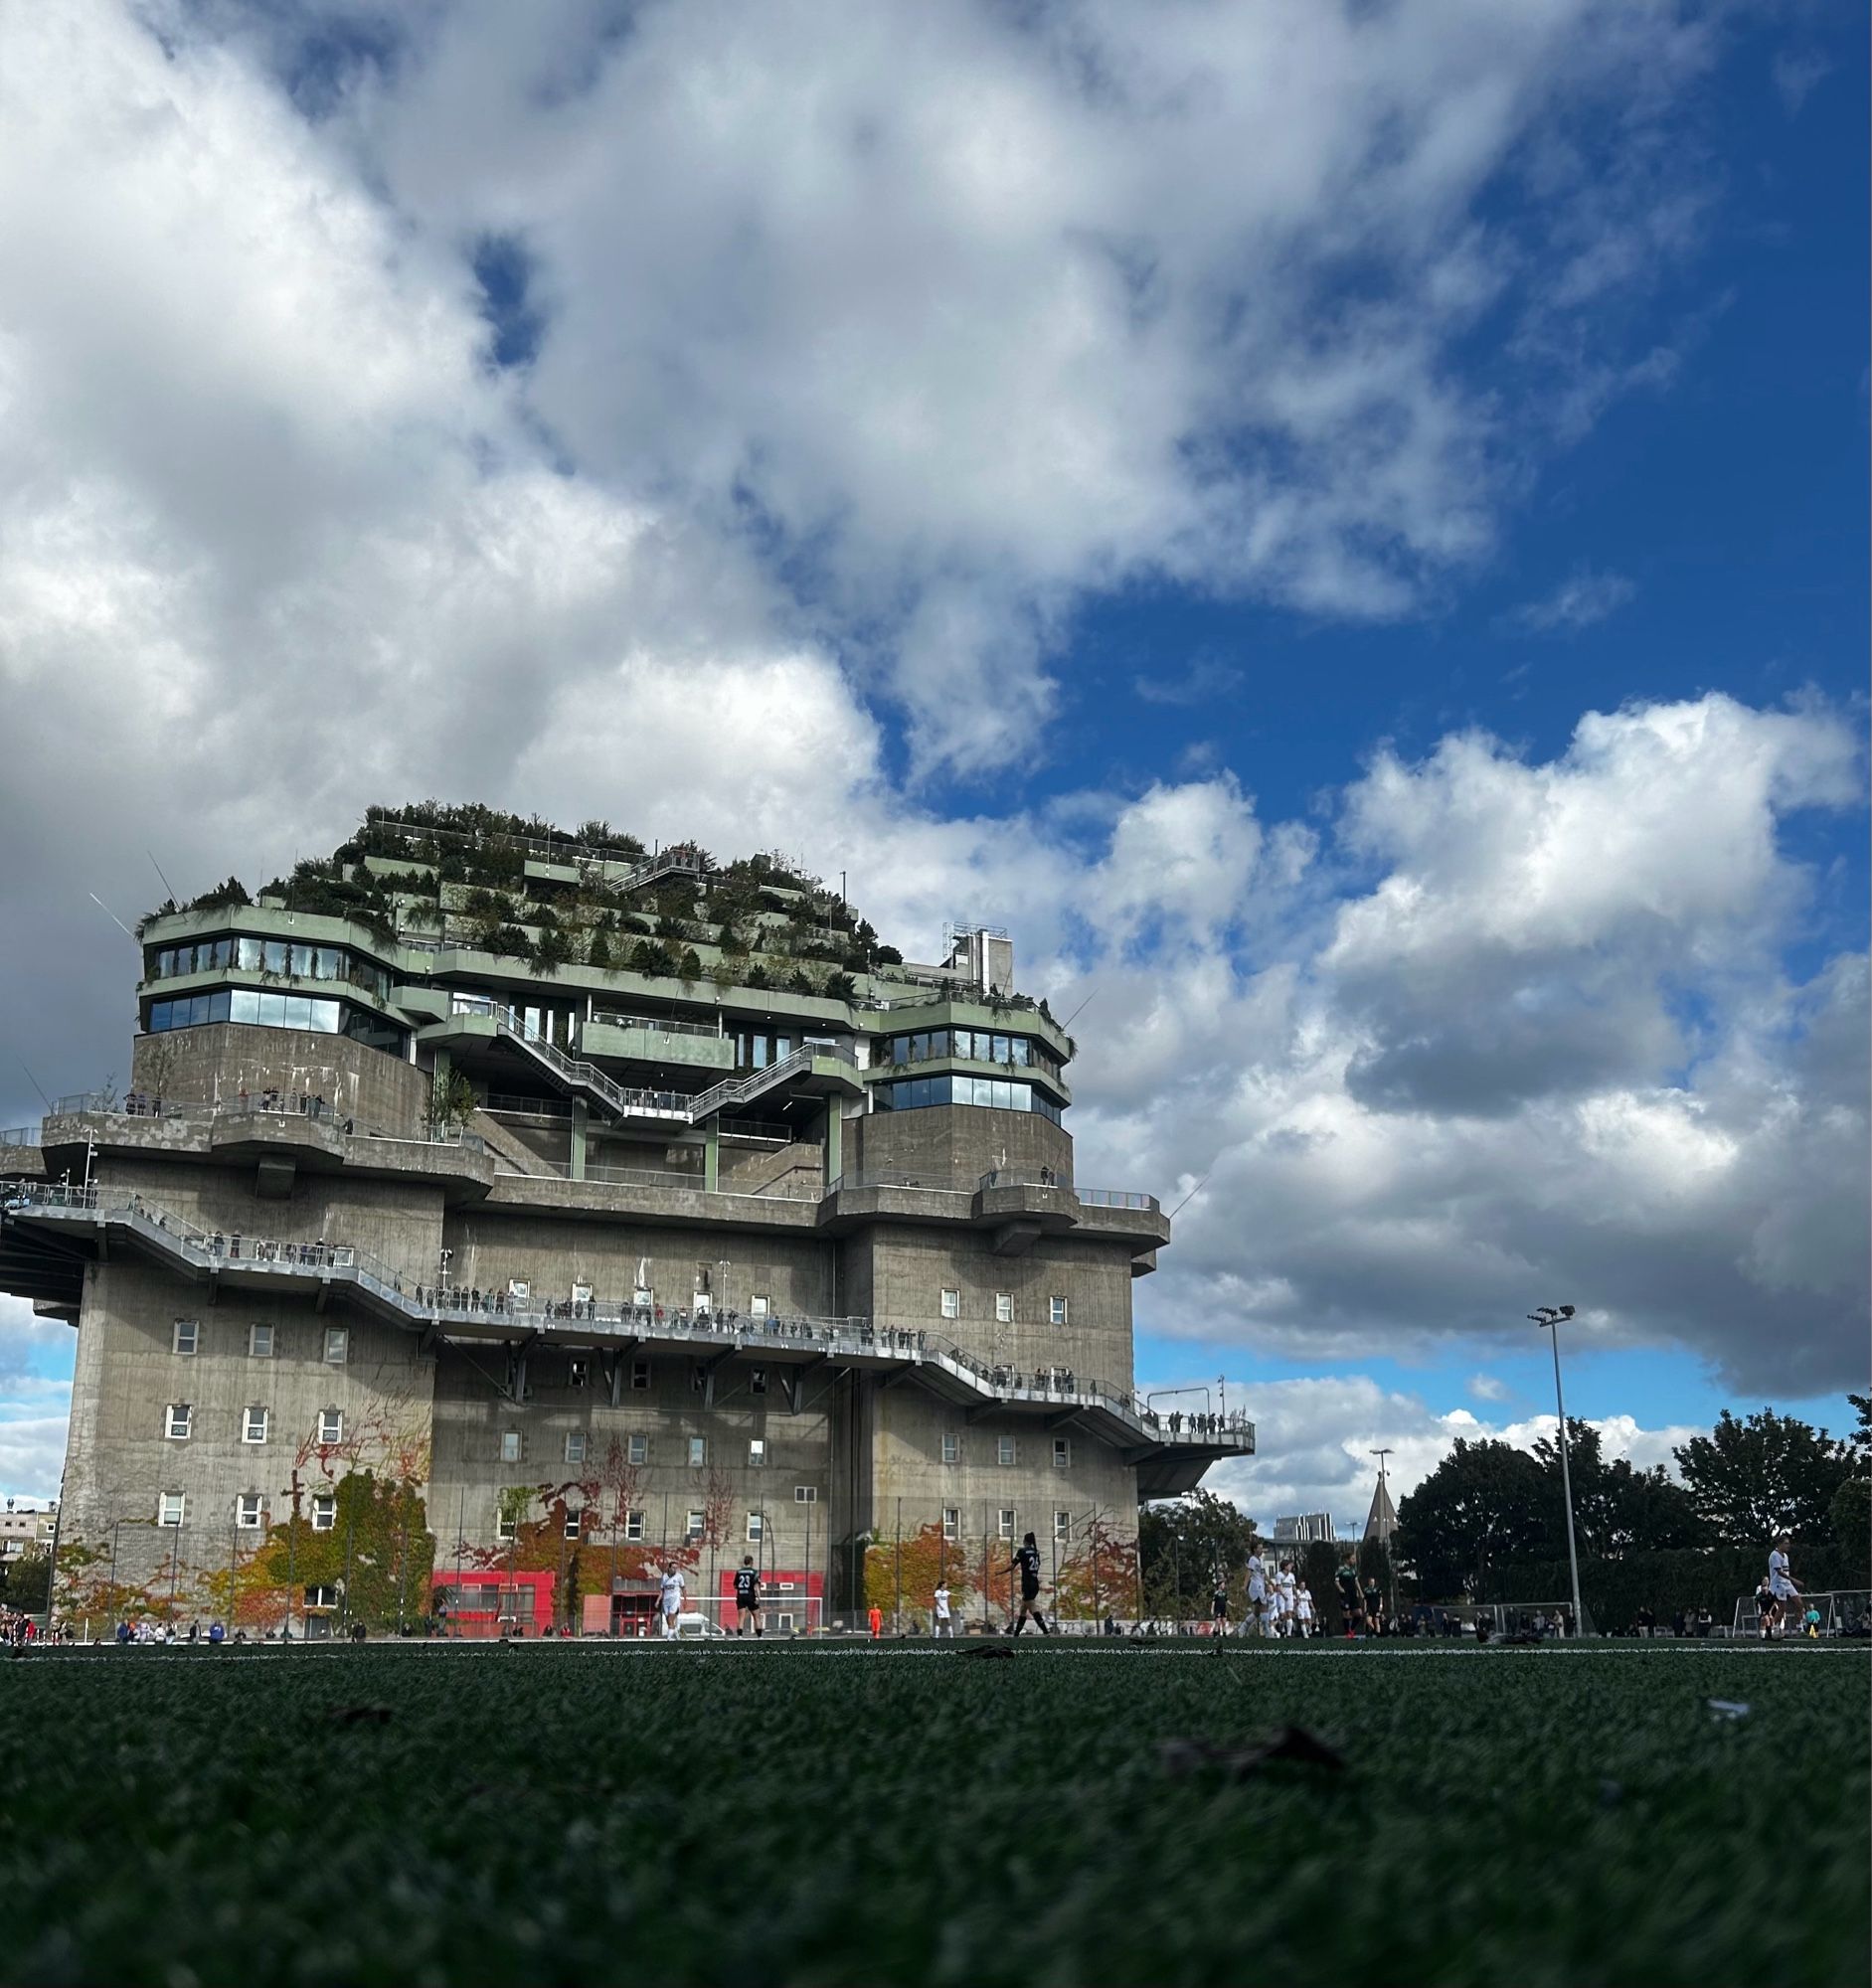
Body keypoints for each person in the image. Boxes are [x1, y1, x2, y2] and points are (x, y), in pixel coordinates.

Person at [1009, 1532, 1051, 1634]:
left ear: (1025, 1541)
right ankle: (1016, 1634)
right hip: (1034, 1582)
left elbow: (1012, 1566)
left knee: (1032, 1608)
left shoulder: (1022, 1551)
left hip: (1027, 1583)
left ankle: (1045, 1632)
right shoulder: (1036, 1552)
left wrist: (999, 1572)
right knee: (1023, 1609)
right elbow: (1037, 1564)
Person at [733, 1556, 765, 1637]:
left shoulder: (739, 1572)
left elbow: (735, 1585)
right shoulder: (754, 1572)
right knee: (756, 1616)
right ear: (751, 1562)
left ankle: (740, 1636)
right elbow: (756, 1586)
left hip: (741, 1596)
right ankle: (759, 1637)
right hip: (750, 1596)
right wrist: (759, 1597)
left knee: (741, 1617)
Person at [1769, 1534, 1800, 1615]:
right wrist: (1793, 1579)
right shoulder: (1774, 1555)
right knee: (1782, 1610)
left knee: (1800, 1604)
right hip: (1778, 1584)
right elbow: (1779, 1571)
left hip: (1787, 1583)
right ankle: (1773, 1627)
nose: (1788, 1545)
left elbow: (1786, 1570)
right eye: (1786, 1543)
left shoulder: (1785, 1556)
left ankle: (1799, 1626)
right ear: (1780, 1544)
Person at [1335, 1555, 1362, 1639]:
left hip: (1353, 1594)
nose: (1354, 1560)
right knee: (1346, 1614)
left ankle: (1352, 1629)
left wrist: (1360, 1592)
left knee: (1359, 1613)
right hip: (1345, 1594)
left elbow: (1356, 1581)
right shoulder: (1341, 1570)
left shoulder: (1353, 1570)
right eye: (1353, 1559)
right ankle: (1348, 1634)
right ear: (1347, 1560)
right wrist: (1340, 1589)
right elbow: (1336, 1581)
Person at [658, 1563, 686, 1639]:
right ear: (669, 1568)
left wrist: (685, 1600)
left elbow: (683, 1588)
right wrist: (658, 1600)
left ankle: (668, 1639)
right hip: (666, 1601)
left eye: (676, 1568)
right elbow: (662, 1590)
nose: (675, 1569)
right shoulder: (664, 1577)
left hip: (675, 1600)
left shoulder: (679, 1577)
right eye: (673, 1567)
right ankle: (676, 1633)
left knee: (670, 1618)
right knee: (668, 1621)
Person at [1245, 1545, 1268, 1637]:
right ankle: (1266, 1632)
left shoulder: (1261, 1560)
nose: (1261, 1550)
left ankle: (1242, 1629)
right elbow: (1249, 1572)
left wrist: (1270, 1583)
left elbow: (1263, 1574)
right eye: (1260, 1548)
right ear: (1255, 1549)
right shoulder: (1252, 1559)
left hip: (1261, 1586)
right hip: (1256, 1586)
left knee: (1257, 1612)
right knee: (1264, 1607)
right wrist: (1244, 1585)